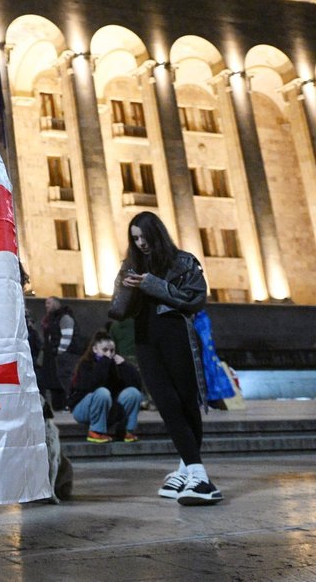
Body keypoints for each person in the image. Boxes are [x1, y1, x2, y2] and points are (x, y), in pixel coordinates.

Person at [116, 211, 219, 505]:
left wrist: (152, 284)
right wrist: (124, 283)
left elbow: (194, 299)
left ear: (155, 234)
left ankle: (192, 472)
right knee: (166, 403)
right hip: (146, 340)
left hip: (177, 336)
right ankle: (193, 471)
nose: (140, 243)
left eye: (143, 237)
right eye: (134, 238)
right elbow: (119, 309)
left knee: (185, 402)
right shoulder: (132, 264)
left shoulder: (184, 262)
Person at [68, 330, 144, 443]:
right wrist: (104, 362)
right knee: (102, 392)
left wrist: (125, 366)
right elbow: (92, 384)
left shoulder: (115, 365)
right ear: (95, 349)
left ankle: (126, 430)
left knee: (133, 393)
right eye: (105, 350)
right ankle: (96, 432)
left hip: (108, 408)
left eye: (112, 350)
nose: (109, 354)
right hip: (83, 408)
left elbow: (136, 385)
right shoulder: (85, 364)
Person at [39, 296, 75, 410]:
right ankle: (58, 406)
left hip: (60, 356)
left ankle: (65, 405)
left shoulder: (64, 318)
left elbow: (67, 336)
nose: (46, 305)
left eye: (49, 303)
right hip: (52, 355)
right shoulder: (50, 319)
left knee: (62, 381)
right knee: (53, 382)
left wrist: (60, 351)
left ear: (56, 303)